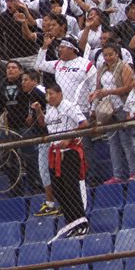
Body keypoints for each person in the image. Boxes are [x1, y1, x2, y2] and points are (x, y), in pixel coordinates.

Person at [35, 84, 88, 236]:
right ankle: (71, 223)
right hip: (55, 152)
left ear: (60, 93)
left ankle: (81, 222)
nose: (49, 97)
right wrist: (39, 110)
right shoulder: (50, 110)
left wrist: (68, 137)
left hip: (70, 152)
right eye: (47, 95)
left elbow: (84, 124)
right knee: (58, 189)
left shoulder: (69, 107)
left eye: (51, 94)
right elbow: (44, 124)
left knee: (71, 188)